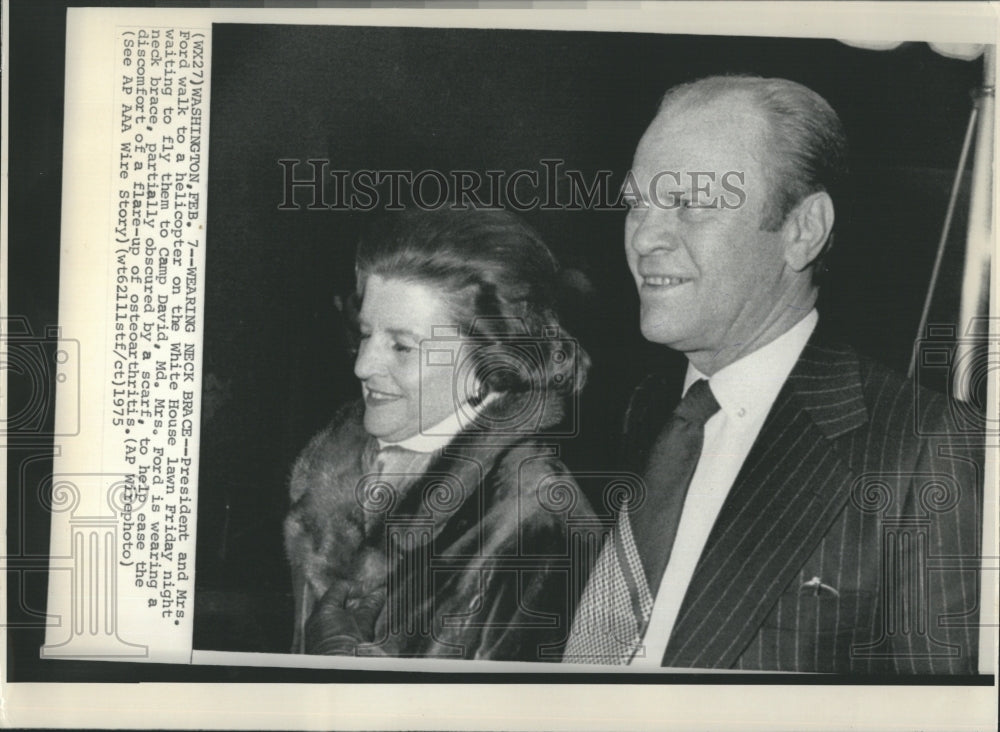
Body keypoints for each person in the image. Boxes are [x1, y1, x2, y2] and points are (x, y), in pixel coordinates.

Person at [563, 75, 982, 673]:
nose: (646, 237)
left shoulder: (924, 449)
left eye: (694, 203)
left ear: (802, 230)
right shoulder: (644, 411)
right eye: (638, 203)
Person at [284, 208, 594, 661]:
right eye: (365, 333)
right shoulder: (348, 469)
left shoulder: (535, 519)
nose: (362, 366)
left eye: (402, 346)